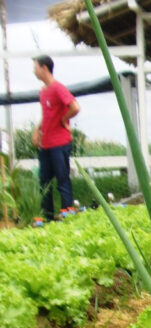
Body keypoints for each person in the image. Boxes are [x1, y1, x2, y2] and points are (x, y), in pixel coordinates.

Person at [31, 55, 79, 221]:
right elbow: (46, 115)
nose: (34, 70)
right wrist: (37, 130)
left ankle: (67, 216)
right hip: (46, 144)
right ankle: (48, 217)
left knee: (62, 180)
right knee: (44, 183)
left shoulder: (58, 88)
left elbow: (75, 107)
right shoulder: (43, 91)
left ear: (44, 68)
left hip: (60, 143)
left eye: (35, 67)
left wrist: (63, 119)